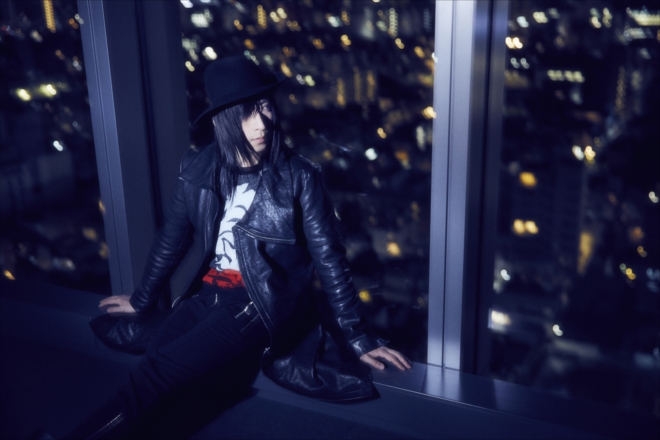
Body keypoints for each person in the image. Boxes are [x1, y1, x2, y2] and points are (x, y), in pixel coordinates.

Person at [87, 55, 410, 438]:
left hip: (256, 302)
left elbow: (330, 260)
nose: (262, 122)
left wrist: (357, 336)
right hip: (206, 295)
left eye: (265, 106)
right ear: (222, 120)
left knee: (155, 376)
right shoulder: (197, 168)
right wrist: (142, 299)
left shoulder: (299, 177)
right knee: (151, 370)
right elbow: (171, 240)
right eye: (246, 112)